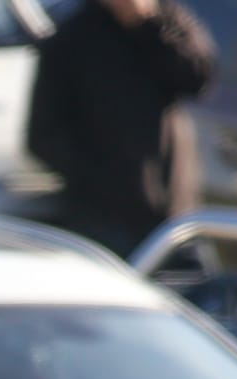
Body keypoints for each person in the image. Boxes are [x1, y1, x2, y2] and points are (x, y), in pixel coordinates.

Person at [25, 0, 218, 259]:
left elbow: (198, 78)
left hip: (172, 213)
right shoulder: (73, 38)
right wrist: (100, 179)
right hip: (103, 221)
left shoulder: (166, 18)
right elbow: (43, 136)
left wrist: (146, 24)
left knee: (190, 294)